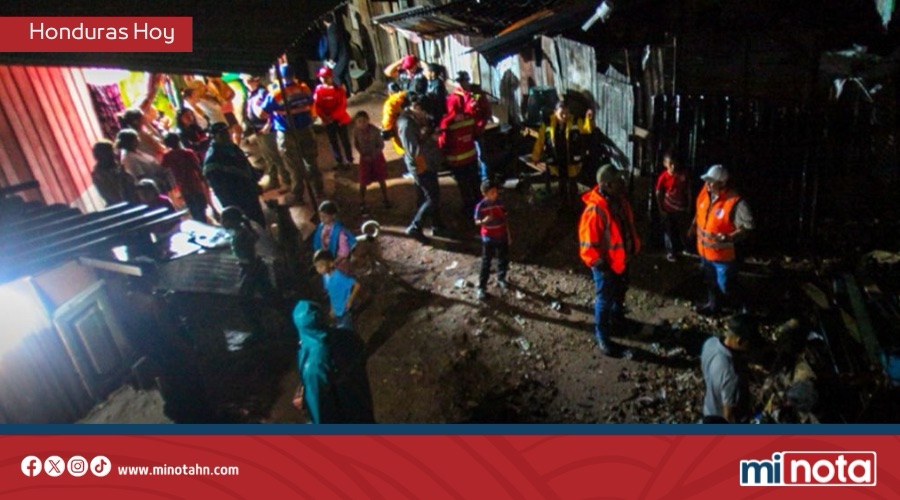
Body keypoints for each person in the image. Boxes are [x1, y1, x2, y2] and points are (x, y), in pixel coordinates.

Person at [578, 165, 641, 357]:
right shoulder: (595, 210)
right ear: (606, 185)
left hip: (620, 261)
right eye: (617, 181)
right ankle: (603, 338)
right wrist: (601, 265)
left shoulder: (619, 201)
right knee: (604, 300)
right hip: (605, 266)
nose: (621, 182)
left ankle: (617, 319)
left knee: (619, 292)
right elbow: (587, 246)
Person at [292, 300, 374, 423]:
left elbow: (320, 411)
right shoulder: (348, 336)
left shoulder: (313, 365)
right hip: (363, 407)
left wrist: (306, 403)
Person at [689, 164, 754, 315]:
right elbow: (700, 212)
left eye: (711, 182)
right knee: (711, 281)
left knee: (726, 285)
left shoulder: (735, 202)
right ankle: (714, 306)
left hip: (723, 256)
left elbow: (748, 226)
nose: (707, 184)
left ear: (722, 183)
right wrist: (693, 225)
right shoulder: (705, 193)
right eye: (707, 180)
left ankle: (746, 305)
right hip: (705, 252)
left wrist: (730, 237)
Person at [259, 63, 323, 204]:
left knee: (293, 166)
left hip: (287, 132)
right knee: (312, 162)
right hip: (306, 129)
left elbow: (261, 113)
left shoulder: (276, 94)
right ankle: (319, 191)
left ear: (279, 77)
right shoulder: (304, 88)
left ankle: (298, 195)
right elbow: (310, 103)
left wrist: (278, 111)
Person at [396, 94, 449, 240]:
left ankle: (437, 226)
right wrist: (429, 136)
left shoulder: (416, 119)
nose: (426, 115)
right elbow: (413, 150)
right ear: (416, 107)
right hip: (421, 165)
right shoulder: (407, 124)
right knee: (432, 197)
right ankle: (415, 226)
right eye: (424, 111)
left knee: (428, 195)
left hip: (429, 162)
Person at [222, 206, 277, 337]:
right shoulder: (242, 232)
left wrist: (243, 261)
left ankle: (259, 329)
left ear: (232, 221)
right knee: (266, 293)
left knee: (246, 300)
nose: (222, 223)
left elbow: (246, 252)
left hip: (251, 269)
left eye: (224, 220)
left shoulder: (242, 235)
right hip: (254, 267)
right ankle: (279, 315)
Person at [532, 101, 593, 210]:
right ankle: (564, 206)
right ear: (555, 112)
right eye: (562, 113)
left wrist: (589, 119)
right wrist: (535, 157)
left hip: (570, 158)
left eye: (567, 113)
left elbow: (587, 130)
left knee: (573, 183)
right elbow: (540, 142)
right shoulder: (547, 125)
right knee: (562, 183)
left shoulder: (575, 121)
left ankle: (574, 205)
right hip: (557, 158)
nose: (565, 116)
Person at [203, 122, 265, 226]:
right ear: (214, 136)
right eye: (222, 134)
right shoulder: (213, 157)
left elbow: (246, 165)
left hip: (248, 191)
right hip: (235, 197)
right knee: (246, 225)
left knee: (259, 222)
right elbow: (218, 186)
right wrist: (229, 204)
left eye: (227, 132)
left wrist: (255, 182)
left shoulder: (233, 147)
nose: (226, 135)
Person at [701, 314, 758, 423]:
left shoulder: (710, 343)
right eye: (749, 343)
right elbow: (729, 415)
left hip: (708, 410)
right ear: (739, 341)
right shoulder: (731, 373)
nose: (750, 347)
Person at [243, 74, 289, 192]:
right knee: (268, 157)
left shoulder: (262, 93)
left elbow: (271, 110)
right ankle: (273, 180)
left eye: (249, 80)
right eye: (245, 80)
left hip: (267, 129)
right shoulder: (250, 94)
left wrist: (268, 125)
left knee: (275, 156)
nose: (246, 82)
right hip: (258, 129)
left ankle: (286, 181)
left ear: (256, 80)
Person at [440, 90, 481, 217]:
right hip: (471, 157)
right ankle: (481, 207)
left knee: (464, 186)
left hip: (457, 161)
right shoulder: (469, 116)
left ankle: (469, 210)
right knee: (475, 183)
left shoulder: (447, 122)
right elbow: (476, 133)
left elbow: (443, 142)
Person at [474, 180, 511, 301]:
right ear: (484, 194)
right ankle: (481, 287)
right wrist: (484, 221)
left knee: (503, 258)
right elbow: (476, 221)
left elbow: (505, 218)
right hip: (488, 238)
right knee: (486, 262)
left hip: (501, 235)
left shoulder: (499, 203)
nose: (495, 195)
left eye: (496, 192)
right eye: (492, 193)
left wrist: (508, 235)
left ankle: (501, 278)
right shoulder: (481, 206)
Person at [161, 132, 209, 222]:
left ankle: (198, 220)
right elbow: (197, 167)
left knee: (192, 206)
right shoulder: (188, 153)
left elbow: (163, 167)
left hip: (182, 185)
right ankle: (203, 219)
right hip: (194, 182)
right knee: (201, 205)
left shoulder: (167, 156)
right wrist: (203, 178)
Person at [313, 66, 354, 169]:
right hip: (328, 120)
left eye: (326, 77)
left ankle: (349, 160)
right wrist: (324, 117)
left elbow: (342, 106)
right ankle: (339, 161)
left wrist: (332, 117)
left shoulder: (339, 90)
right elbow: (317, 106)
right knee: (333, 141)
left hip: (339, 119)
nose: (324, 79)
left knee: (344, 140)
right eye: (322, 77)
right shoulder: (319, 90)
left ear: (331, 77)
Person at [351, 110, 391, 212]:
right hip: (364, 158)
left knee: (381, 178)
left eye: (364, 121)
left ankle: (386, 199)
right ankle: (362, 201)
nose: (362, 124)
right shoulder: (356, 131)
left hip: (376, 158)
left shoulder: (375, 131)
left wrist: (373, 155)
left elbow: (381, 145)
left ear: (368, 120)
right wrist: (362, 154)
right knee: (363, 180)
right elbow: (356, 144)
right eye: (359, 122)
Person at [655, 151, 690, 262]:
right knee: (669, 231)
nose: (673, 166)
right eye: (670, 164)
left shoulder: (682, 175)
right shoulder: (663, 177)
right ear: (665, 164)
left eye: (675, 164)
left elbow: (688, 191)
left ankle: (685, 248)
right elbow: (658, 193)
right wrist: (661, 209)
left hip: (681, 208)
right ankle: (670, 252)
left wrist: (689, 205)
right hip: (668, 208)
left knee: (682, 229)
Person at [313, 249, 360, 331]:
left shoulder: (338, 276)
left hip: (344, 310)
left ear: (331, 263)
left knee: (346, 331)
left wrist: (350, 300)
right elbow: (331, 294)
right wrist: (332, 308)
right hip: (338, 311)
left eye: (321, 266)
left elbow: (357, 285)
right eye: (317, 267)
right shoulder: (326, 278)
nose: (318, 270)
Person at [115, 129, 174, 193]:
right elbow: (140, 177)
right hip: (155, 188)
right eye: (136, 138)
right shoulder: (129, 158)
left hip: (162, 181)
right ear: (130, 142)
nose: (138, 140)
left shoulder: (136, 151)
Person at [311, 200, 357, 275]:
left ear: (333, 216)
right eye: (320, 216)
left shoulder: (339, 232)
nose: (322, 219)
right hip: (326, 260)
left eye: (325, 216)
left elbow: (344, 251)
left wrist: (334, 262)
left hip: (338, 260)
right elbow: (318, 243)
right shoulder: (321, 228)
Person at [91, 139, 135, 206]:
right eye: (111, 152)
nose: (114, 154)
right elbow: (113, 195)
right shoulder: (99, 175)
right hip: (119, 206)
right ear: (103, 155)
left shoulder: (117, 166)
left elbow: (131, 181)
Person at [323, 12, 353, 94]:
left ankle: (341, 93)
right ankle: (351, 91)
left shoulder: (331, 31)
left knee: (335, 74)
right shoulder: (337, 27)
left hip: (340, 56)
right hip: (345, 53)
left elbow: (334, 45)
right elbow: (348, 35)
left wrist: (332, 59)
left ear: (324, 21)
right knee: (345, 73)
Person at [381, 82, 407, 155]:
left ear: (389, 92)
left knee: (406, 152)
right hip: (413, 128)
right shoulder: (407, 96)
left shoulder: (390, 104)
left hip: (399, 131)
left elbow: (387, 122)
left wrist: (385, 129)